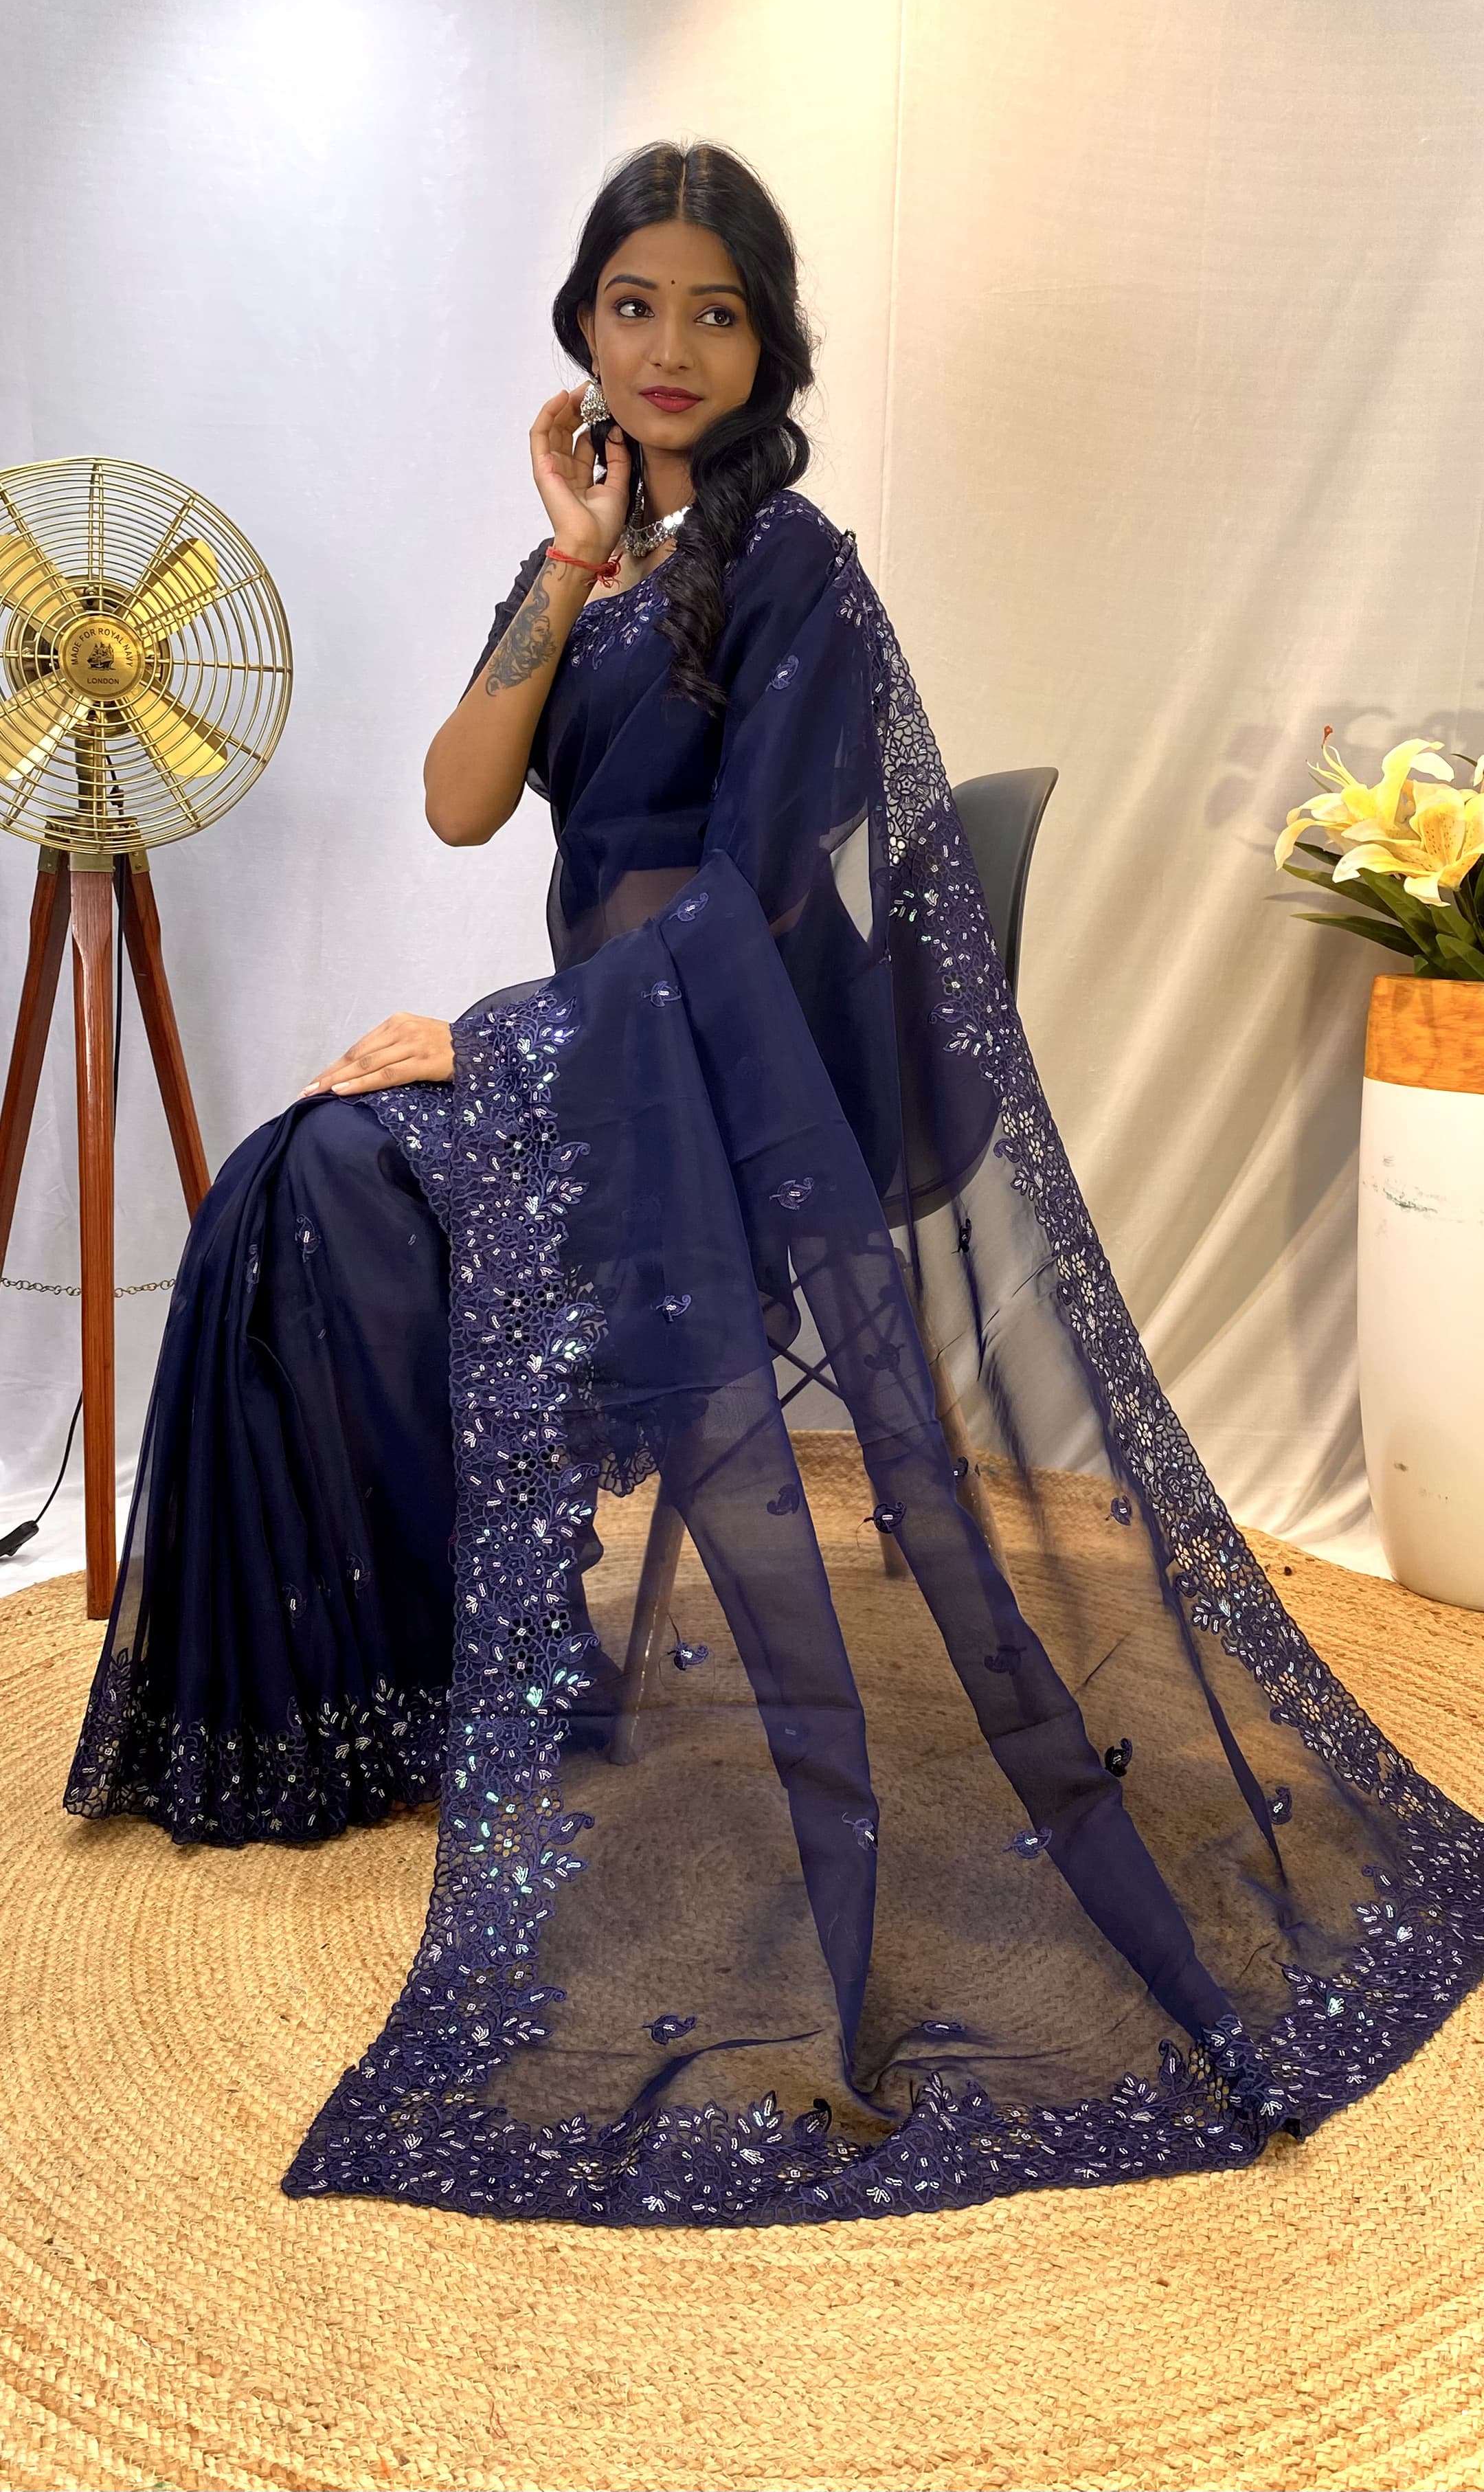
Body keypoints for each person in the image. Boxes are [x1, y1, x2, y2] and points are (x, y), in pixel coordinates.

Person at [66, 142, 1484, 2228]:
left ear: (768, 346)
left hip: (724, 1086)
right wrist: (562, 568)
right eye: (633, 304)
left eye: (713, 311)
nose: (669, 347)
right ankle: (393, 1694)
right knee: (296, 1179)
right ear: (581, 325)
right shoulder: (595, 559)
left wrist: (499, 1045)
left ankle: (462, 1664)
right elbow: (460, 806)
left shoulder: (795, 570)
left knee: (338, 1177)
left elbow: (751, 920)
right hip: (604, 1062)